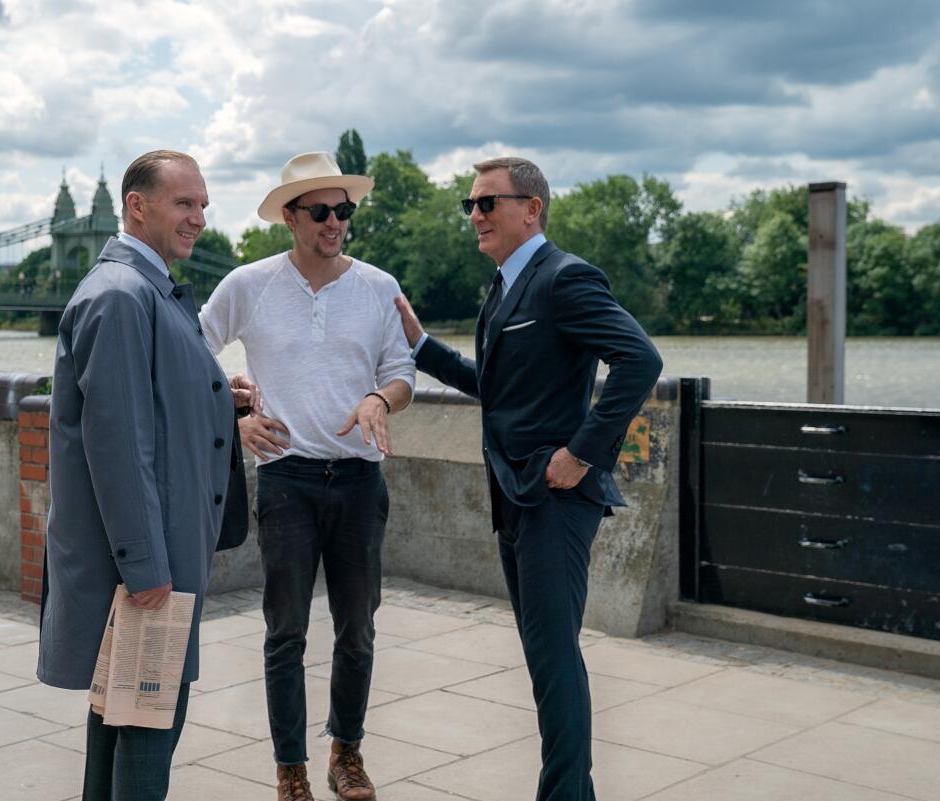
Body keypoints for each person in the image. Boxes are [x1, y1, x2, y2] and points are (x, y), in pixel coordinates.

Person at [395, 157, 662, 801]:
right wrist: (422, 345)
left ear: (532, 208)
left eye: (488, 202)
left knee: (552, 659)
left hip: (555, 500)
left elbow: (640, 360)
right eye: (471, 204)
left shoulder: (564, 279)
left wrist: (581, 454)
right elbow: (500, 389)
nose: (475, 215)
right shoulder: (504, 286)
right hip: (513, 498)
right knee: (546, 659)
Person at [37, 150, 253, 801]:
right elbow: (117, 443)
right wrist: (144, 565)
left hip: (157, 552)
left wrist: (218, 395)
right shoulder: (124, 297)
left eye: (203, 204)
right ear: (137, 205)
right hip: (147, 564)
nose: (200, 218)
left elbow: (148, 405)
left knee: (120, 716)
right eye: (185, 203)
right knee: (149, 726)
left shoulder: (144, 289)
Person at [199, 151, 415, 801]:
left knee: (358, 628)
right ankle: (289, 767)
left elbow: (403, 372)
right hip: (286, 479)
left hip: (358, 481)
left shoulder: (378, 287)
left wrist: (382, 399)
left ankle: (345, 753)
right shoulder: (247, 284)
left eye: (343, 211)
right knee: (286, 629)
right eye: (320, 211)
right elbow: (186, 350)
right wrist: (232, 417)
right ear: (290, 216)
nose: (335, 222)